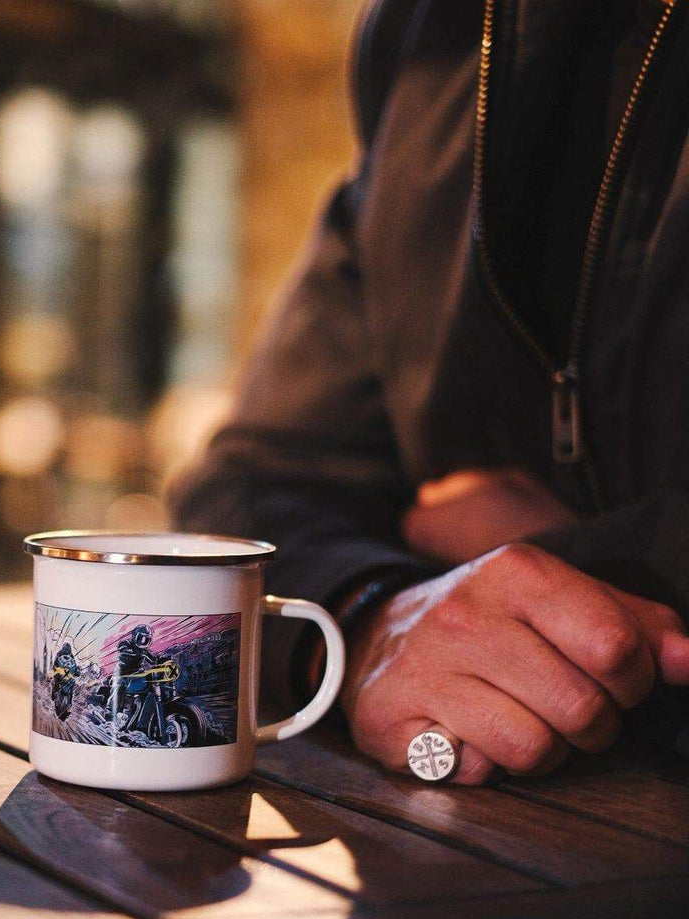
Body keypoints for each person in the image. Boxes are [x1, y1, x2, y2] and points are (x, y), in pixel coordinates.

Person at [173, 0, 689, 784]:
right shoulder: (426, 33)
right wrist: (375, 614)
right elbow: (249, 486)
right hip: (471, 851)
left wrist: (545, 558)